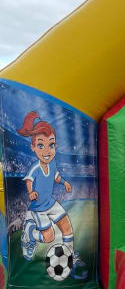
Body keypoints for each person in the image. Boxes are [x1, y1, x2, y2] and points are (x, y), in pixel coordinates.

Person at [18, 111, 75, 262]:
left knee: (67, 227)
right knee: (49, 237)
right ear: (33, 147)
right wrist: (31, 192)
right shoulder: (35, 168)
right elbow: (29, 180)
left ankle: (69, 256)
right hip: (39, 208)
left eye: (51, 144)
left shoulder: (53, 163)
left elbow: (56, 177)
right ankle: (30, 234)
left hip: (50, 202)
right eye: (41, 145)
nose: (47, 151)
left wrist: (65, 183)